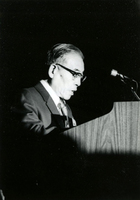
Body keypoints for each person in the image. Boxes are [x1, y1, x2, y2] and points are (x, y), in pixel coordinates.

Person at [4, 43, 86, 199]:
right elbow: (34, 139)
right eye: (75, 74)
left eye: (81, 76)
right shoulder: (27, 96)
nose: (78, 82)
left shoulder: (66, 109)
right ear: (54, 70)